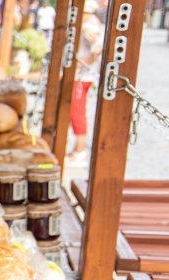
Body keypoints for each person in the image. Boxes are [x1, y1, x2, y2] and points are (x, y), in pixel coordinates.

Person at [67, 0, 103, 164]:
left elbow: (99, 45)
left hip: (81, 77)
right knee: (72, 110)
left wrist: (84, 62)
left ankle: (79, 150)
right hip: (80, 75)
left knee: (77, 111)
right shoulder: (89, 22)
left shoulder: (88, 24)